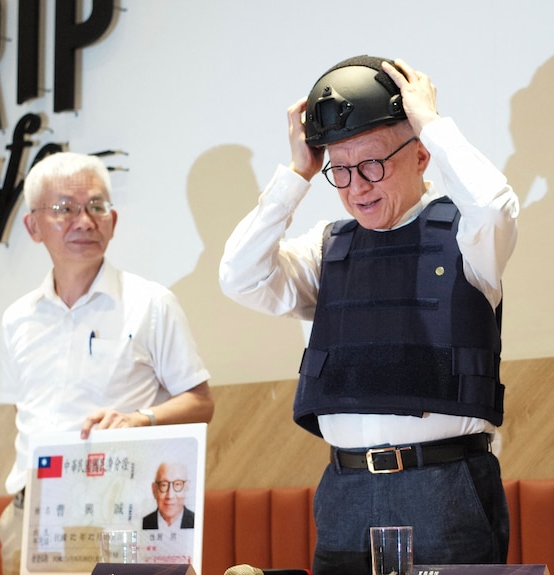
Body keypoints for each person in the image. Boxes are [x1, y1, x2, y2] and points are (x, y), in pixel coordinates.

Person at [219, 55, 519, 574]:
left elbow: (494, 208)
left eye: (374, 164)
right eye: (342, 169)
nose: (358, 186)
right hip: (346, 491)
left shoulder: (469, 239)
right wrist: (297, 175)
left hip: (444, 489)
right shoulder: (326, 250)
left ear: (421, 154)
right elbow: (239, 276)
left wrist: (432, 122)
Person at [0, 152, 214, 575]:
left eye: (96, 207)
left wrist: (139, 419)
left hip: (121, 512)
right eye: (64, 209)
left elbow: (200, 402)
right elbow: (24, 416)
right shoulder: (16, 318)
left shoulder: (150, 303)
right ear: (33, 225)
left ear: (112, 220)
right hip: (34, 516)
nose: (84, 221)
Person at [143, 462, 195, 530]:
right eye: (164, 485)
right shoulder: (142, 523)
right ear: (154, 490)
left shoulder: (196, 522)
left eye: (177, 484)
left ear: (187, 487)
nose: (170, 495)